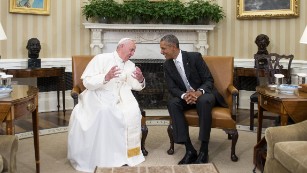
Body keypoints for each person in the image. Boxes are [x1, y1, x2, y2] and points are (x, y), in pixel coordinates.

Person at [67, 38, 146, 172]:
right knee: (105, 111)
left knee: (132, 111)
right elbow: (87, 82)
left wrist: (140, 79)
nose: (133, 53)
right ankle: (104, 157)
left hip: (121, 97)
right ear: (121, 47)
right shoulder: (101, 58)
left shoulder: (131, 65)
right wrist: (105, 77)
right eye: (131, 50)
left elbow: (137, 86)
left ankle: (125, 155)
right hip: (97, 95)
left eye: (134, 51)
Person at [160, 34, 227, 165]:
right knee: (172, 103)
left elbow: (208, 80)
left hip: (204, 93)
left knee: (203, 101)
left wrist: (197, 93)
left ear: (173, 47)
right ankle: (189, 149)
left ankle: (204, 149)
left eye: (163, 48)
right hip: (186, 96)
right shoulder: (167, 65)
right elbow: (172, 88)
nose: (161, 52)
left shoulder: (194, 57)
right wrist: (185, 96)